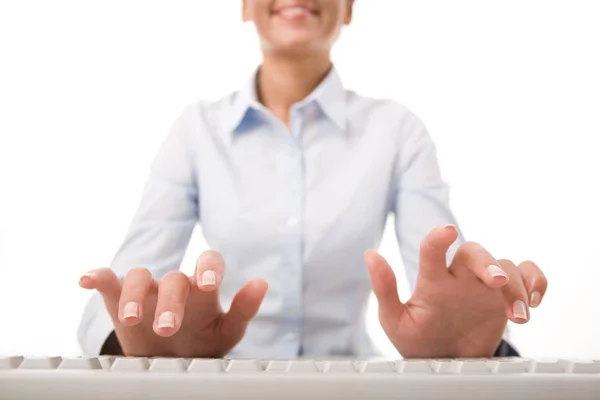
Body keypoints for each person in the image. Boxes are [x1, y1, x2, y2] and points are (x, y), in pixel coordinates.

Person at [78, 0, 547, 360]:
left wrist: (477, 348)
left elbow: (448, 283)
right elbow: (119, 291)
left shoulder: (396, 130)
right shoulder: (196, 131)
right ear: (244, 5)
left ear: (349, 7)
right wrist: (133, 344)